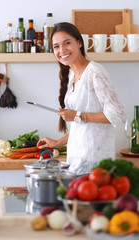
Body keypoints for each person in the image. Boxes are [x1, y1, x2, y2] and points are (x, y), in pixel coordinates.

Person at [37, 22, 126, 175]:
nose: (62, 50)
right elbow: (85, 128)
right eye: (56, 46)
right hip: (76, 163)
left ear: (79, 43)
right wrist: (58, 143)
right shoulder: (72, 75)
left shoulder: (94, 72)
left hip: (96, 165)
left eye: (67, 43)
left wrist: (78, 115)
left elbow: (117, 115)